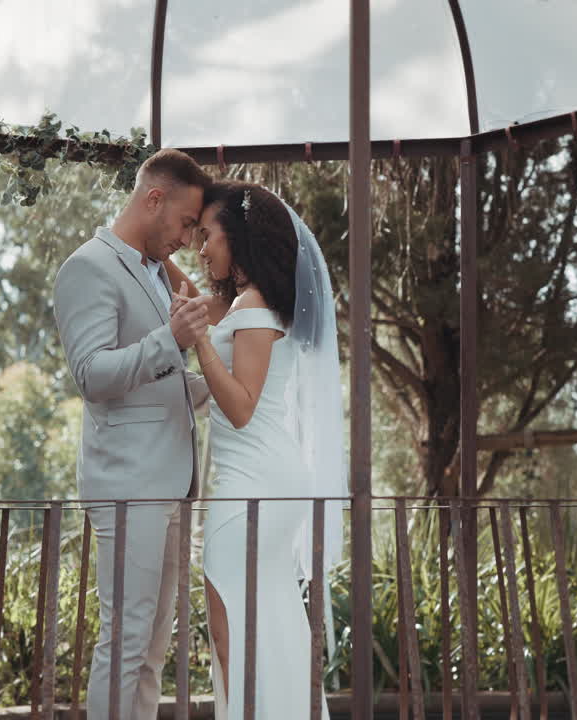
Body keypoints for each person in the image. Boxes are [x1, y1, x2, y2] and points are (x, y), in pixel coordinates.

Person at [173, 180, 345, 719]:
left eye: (207, 236)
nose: (200, 249)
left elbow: (241, 406)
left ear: (239, 238)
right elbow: (193, 295)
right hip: (271, 481)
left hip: (253, 488)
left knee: (230, 634)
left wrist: (201, 343)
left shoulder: (251, 306)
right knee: (269, 622)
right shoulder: (248, 302)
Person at [52, 148, 213, 720]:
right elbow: (92, 375)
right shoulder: (88, 267)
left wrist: (215, 385)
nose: (190, 238)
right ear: (154, 199)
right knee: (125, 641)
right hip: (127, 484)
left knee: (151, 647)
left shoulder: (153, 271)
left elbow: (154, 380)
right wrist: (172, 338)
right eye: (187, 223)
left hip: (170, 484)